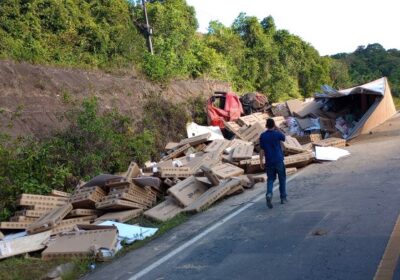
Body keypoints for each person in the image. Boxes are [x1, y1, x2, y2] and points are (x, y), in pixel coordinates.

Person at [259, 118, 287, 209]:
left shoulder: (263, 136)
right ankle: (283, 198)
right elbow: (284, 138)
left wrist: (261, 161)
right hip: (278, 160)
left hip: (269, 161)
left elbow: (262, 150)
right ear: (273, 125)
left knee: (270, 179)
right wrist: (277, 128)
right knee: (282, 179)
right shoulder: (277, 134)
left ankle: (269, 194)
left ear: (266, 126)